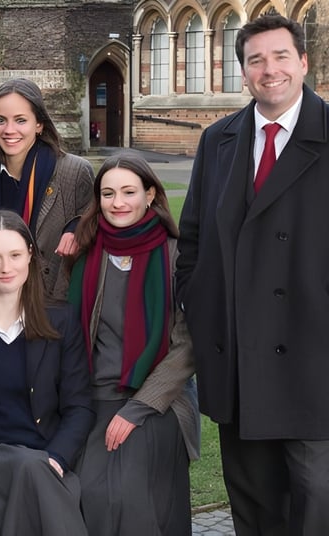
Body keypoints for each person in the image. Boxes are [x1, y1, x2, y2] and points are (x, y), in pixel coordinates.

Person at [176, 14, 329, 534]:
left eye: (281, 56)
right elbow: (192, 239)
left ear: (303, 62)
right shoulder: (218, 138)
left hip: (313, 368)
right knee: (256, 514)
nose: (270, 70)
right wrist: (200, 305)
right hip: (238, 364)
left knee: (315, 511)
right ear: (243, 70)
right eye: (256, 59)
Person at [68, 153, 199, 535]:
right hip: (93, 395)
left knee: (131, 497)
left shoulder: (177, 257)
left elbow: (188, 346)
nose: (118, 202)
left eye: (129, 191)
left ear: (151, 194)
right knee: (84, 492)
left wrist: (138, 409)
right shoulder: (85, 253)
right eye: (107, 193)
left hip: (157, 399)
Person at [0, 209, 93, 535]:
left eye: (15, 255)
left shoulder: (60, 321)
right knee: (35, 476)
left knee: (36, 479)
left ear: (30, 255)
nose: (6, 267)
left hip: (44, 458)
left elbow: (79, 407)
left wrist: (56, 458)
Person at [0, 78, 94, 303]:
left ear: (39, 124)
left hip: (51, 304)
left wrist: (77, 227)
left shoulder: (74, 172)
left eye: (20, 120)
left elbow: (94, 227)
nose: (9, 130)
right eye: (1, 120)